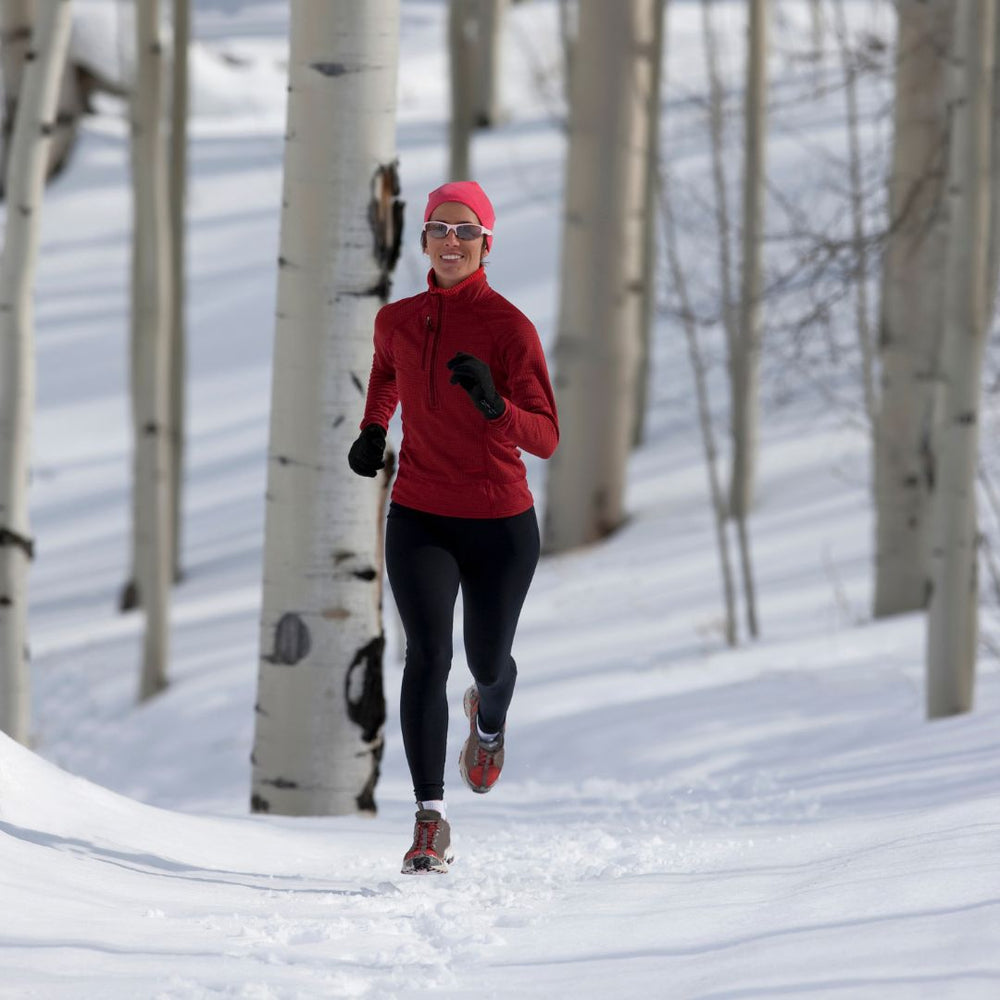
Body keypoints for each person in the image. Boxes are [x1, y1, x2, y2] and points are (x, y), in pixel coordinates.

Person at [348, 181, 559, 874]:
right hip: (421, 515)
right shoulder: (398, 320)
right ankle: (430, 821)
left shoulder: (510, 328)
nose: (451, 241)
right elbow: (386, 371)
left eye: (466, 231)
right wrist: (374, 428)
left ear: (487, 245)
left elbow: (547, 437)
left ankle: (488, 720)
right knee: (426, 657)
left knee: (488, 661)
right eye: (440, 228)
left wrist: (495, 404)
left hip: (499, 522)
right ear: (424, 240)